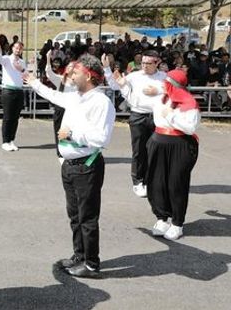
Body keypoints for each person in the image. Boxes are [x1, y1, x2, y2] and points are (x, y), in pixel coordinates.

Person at [24, 54, 115, 279]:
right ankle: (79, 255)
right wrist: (34, 83)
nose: (71, 74)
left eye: (76, 71)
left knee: (88, 217)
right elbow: (54, 95)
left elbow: (101, 138)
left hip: (87, 165)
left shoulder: (101, 102)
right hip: (70, 165)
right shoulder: (76, 97)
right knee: (75, 215)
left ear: (90, 75)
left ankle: (92, 264)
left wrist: (72, 135)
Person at [145, 69, 200, 241]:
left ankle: (177, 223)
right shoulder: (161, 97)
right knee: (156, 182)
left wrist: (171, 117)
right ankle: (162, 218)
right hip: (158, 141)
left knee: (176, 183)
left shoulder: (189, 103)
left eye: (167, 82)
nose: (164, 85)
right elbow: (136, 99)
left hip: (180, 144)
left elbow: (190, 128)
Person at [105, 50, 166, 198]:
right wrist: (107, 69)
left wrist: (157, 90)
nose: (144, 66)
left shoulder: (163, 77)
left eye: (148, 63)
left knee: (156, 150)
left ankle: (152, 180)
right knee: (139, 150)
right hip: (138, 115)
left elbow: (175, 89)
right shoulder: (134, 76)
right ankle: (138, 181)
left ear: (157, 63)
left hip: (158, 116)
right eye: (143, 63)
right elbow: (115, 85)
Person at [46, 50, 77, 163]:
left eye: (74, 67)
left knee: (72, 132)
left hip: (73, 111)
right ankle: (61, 154)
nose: (71, 69)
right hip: (60, 110)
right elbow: (49, 73)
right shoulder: (61, 80)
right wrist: (48, 59)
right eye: (69, 67)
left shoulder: (79, 82)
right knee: (60, 132)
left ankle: (72, 152)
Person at [0, 40, 26, 151]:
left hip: (19, 90)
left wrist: (21, 69)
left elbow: (25, 74)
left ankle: (12, 140)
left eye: (20, 48)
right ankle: (5, 141)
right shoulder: (7, 59)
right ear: (13, 48)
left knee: (15, 118)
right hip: (8, 90)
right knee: (8, 117)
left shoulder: (22, 61)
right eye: (16, 48)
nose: (18, 50)